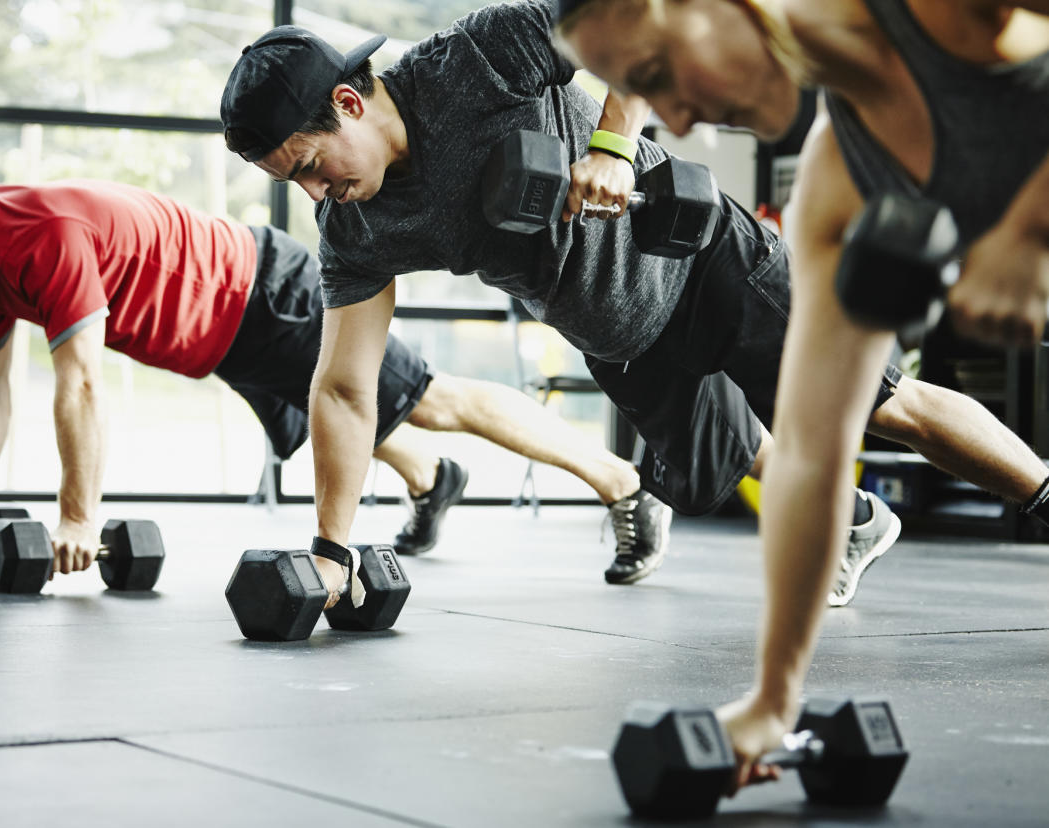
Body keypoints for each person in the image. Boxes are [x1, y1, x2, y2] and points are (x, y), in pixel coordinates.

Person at [218, 0, 1045, 618]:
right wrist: (331, 549)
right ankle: (857, 522)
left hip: (706, 265)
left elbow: (631, 18)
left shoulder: (474, 59)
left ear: (351, 104)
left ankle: (1042, 493)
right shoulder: (356, 228)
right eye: (293, 182)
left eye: (311, 165)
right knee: (714, 471)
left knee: (883, 407)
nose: (315, 191)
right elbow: (343, 388)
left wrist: (613, 142)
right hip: (617, 336)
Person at [554, 0, 1049, 794]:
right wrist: (772, 700)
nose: (675, 121)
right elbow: (813, 452)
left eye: (654, 78)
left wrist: (1028, 229)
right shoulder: (838, 177)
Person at [0, 137, 656, 576]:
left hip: (264, 293)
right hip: (224, 339)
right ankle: (429, 477)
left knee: (430, 398)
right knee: (358, 419)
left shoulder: (40, 237)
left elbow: (80, 383)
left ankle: (622, 483)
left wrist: (79, 516)